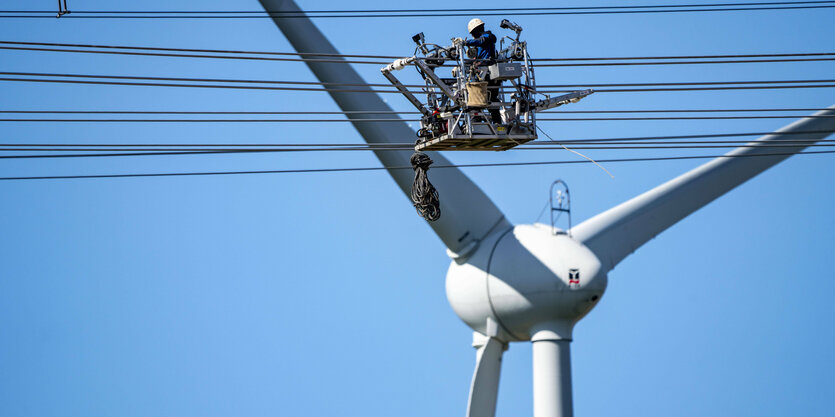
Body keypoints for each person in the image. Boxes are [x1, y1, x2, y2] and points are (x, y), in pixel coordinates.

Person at [462, 18, 502, 124]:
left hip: (488, 72)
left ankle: (492, 122)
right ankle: (478, 121)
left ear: (476, 30)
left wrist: (466, 42)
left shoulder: (487, 37)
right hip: (486, 73)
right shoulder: (482, 42)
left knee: (483, 97)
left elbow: (481, 41)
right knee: (482, 98)